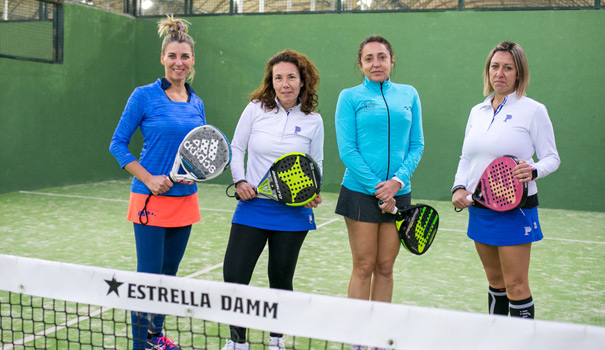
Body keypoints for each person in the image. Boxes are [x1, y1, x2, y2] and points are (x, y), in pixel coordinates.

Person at [109, 15, 203, 350]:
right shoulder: (144, 96)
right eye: (173, 56)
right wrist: (148, 178)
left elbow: (197, 149)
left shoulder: (196, 103)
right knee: (148, 278)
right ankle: (140, 345)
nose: (179, 63)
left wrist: (192, 173)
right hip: (149, 201)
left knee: (168, 278)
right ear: (163, 58)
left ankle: (155, 338)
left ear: (192, 61)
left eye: (185, 57)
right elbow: (117, 143)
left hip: (185, 200)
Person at [221, 49, 324, 350]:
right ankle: (237, 342)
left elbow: (316, 163)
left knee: (280, 279)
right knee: (235, 275)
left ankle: (276, 341)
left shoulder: (313, 120)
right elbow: (236, 147)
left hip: (292, 215)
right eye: (278, 78)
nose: (285, 83)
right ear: (271, 81)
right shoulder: (255, 108)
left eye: (291, 77)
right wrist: (239, 180)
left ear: (303, 81)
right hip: (252, 206)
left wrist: (312, 193)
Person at [451, 41, 560, 319]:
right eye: (494, 67)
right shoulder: (477, 111)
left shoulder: (534, 110)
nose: (499, 73)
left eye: (507, 68)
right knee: (495, 283)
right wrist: (459, 187)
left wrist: (533, 170)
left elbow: (551, 157)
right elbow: (466, 158)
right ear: (488, 72)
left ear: (519, 73)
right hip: (479, 210)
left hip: (516, 211)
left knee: (516, 284)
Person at [334, 35, 423, 350]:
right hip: (359, 192)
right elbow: (347, 150)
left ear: (392, 60)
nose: (376, 63)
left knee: (386, 266)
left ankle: (378, 340)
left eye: (382, 57)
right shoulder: (350, 97)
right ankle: (358, 339)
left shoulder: (409, 94)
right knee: (364, 265)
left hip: (399, 194)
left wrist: (397, 183)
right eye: (369, 58)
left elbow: (417, 144)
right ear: (360, 64)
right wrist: (378, 188)